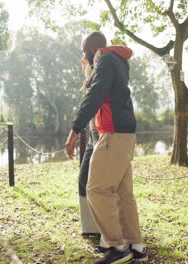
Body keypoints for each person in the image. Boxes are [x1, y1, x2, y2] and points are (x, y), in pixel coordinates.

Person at [65, 32, 148, 264]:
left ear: (93, 50)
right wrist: (89, 73)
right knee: (122, 193)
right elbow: (100, 88)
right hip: (125, 133)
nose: (83, 55)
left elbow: (96, 94)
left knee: (96, 189)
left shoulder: (106, 59)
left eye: (84, 51)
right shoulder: (117, 61)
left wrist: (75, 129)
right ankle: (136, 246)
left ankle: (118, 247)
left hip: (113, 134)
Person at [78, 52, 100, 236]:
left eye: (83, 55)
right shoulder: (90, 76)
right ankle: (91, 228)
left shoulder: (97, 73)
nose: (80, 60)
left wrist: (74, 130)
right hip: (94, 135)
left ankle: (97, 229)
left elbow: (93, 103)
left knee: (93, 182)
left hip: (100, 134)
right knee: (84, 179)